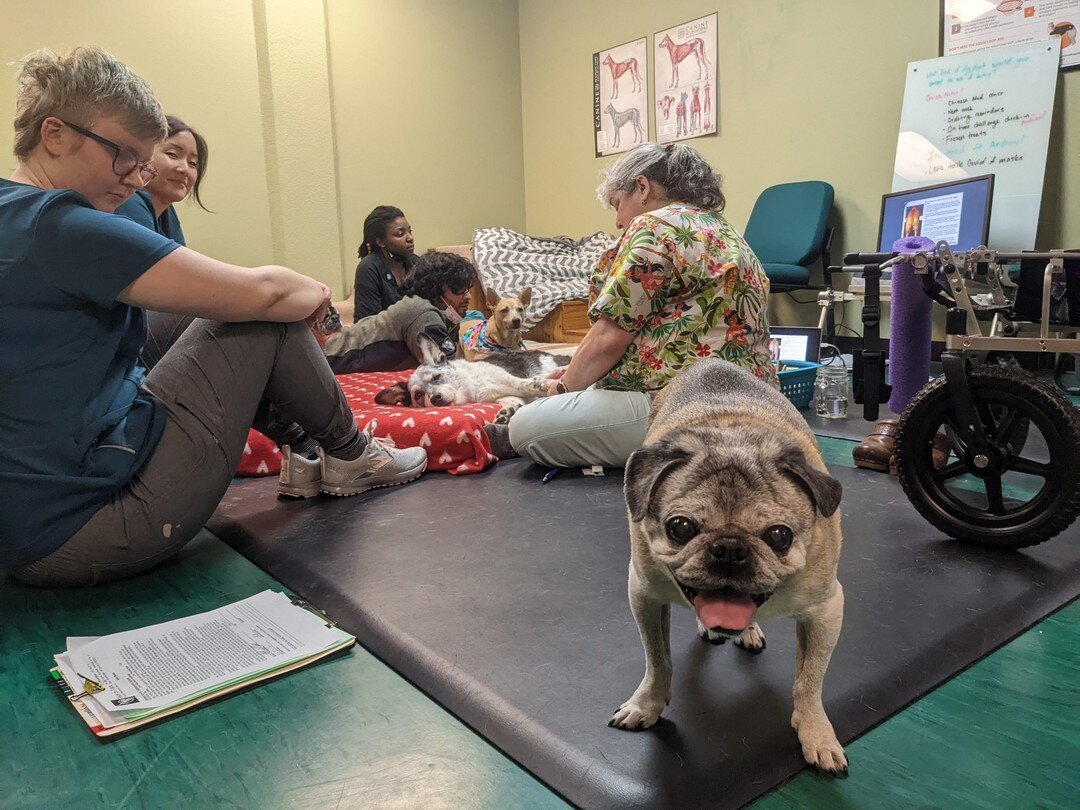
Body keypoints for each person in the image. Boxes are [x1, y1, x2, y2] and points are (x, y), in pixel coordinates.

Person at [0, 47, 427, 588]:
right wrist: (316, 293)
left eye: (143, 161)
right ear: (55, 134)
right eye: (123, 156)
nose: (136, 177)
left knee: (198, 315)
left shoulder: (12, 211)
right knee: (262, 316)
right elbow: (267, 294)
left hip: (30, 521)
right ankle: (349, 452)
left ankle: (305, 448)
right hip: (84, 531)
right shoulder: (61, 225)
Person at [489, 142, 777, 468]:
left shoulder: (653, 226)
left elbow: (609, 337)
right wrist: (575, 371)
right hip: (756, 405)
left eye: (616, 204)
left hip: (686, 408)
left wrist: (565, 388)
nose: (617, 221)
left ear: (641, 187)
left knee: (526, 427)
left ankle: (672, 456)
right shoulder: (727, 232)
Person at [323, 251, 475, 374]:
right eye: (459, 291)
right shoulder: (423, 313)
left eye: (467, 290)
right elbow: (448, 371)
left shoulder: (438, 314)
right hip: (329, 358)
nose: (468, 297)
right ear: (436, 292)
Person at [115, 114, 208, 244]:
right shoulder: (128, 200)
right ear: (143, 154)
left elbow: (179, 262)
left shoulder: (167, 213)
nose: (185, 169)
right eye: (173, 154)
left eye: (192, 163)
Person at [352, 205, 416, 319]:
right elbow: (368, 323)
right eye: (400, 234)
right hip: (381, 335)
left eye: (410, 231)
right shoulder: (368, 268)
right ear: (381, 242)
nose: (410, 238)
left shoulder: (416, 263)